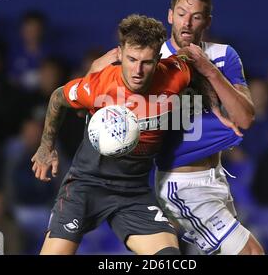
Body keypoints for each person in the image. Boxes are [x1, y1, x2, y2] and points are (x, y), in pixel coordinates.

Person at [31, 14, 194, 255]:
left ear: (159, 59)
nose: (137, 70)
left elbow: (195, 65)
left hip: (133, 192)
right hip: (85, 185)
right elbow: (58, 97)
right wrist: (46, 147)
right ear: (119, 54)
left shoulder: (176, 74)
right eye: (131, 59)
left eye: (147, 62)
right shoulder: (98, 84)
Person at [154, 0, 264, 255]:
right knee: (251, 252)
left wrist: (210, 71)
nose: (187, 23)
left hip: (215, 177)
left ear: (208, 22)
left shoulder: (224, 56)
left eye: (197, 16)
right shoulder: (152, 60)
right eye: (181, 14)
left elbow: (246, 118)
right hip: (181, 183)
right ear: (170, 16)